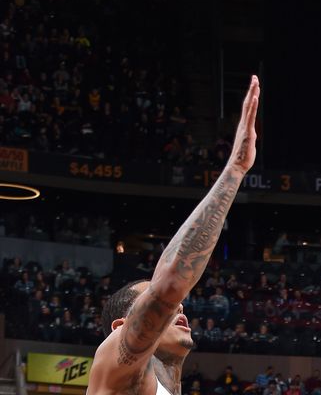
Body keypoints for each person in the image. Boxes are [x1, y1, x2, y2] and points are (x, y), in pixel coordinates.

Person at [86, 76, 261, 394]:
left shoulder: (168, 387)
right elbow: (169, 286)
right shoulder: (116, 368)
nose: (179, 308)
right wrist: (235, 169)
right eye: (152, 303)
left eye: (174, 306)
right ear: (121, 328)